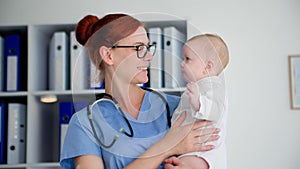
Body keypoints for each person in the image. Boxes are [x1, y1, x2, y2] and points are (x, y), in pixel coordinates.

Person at [59, 13, 220, 169]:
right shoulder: (85, 124)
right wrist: (167, 147)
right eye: (138, 48)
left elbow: (212, 152)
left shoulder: (180, 106)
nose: (149, 56)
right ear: (108, 55)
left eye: (148, 47)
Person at [165, 34, 229, 169]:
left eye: (187, 59)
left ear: (208, 67)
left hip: (204, 152)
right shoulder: (196, 87)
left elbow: (216, 110)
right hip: (190, 150)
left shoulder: (214, 86)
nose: (182, 63)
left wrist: (199, 102)